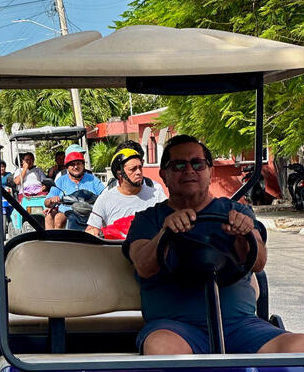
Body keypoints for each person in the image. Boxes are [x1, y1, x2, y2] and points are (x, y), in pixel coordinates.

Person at [124, 134, 304, 355]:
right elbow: (143, 266)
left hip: (241, 327)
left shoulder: (237, 212)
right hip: (176, 328)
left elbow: (258, 263)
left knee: (299, 346)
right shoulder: (148, 219)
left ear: (210, 171)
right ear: (164, 175)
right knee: (161, 346)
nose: (189, 170)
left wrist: (243, 235)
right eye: (178, 165)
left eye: (198, 164)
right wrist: (165, 234)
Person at [86, 144, 167, 239]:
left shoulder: (156, 194)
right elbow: (92, 229)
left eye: (140, 167)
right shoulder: (105, 198)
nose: (139, 172)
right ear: (119, 174)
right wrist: (94, 232)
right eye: (133, 169)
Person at [44, 146, 104, 230]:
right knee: (58, 218)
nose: (76, 167)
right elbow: (47, 202)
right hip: (67, 214)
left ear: (83, 165)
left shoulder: (92, 178)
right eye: (72, 164)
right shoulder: (61, 180)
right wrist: (52, 200)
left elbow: (104, 194)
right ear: (67, 167)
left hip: (89, 213)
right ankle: (56, 241)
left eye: (78, 164)